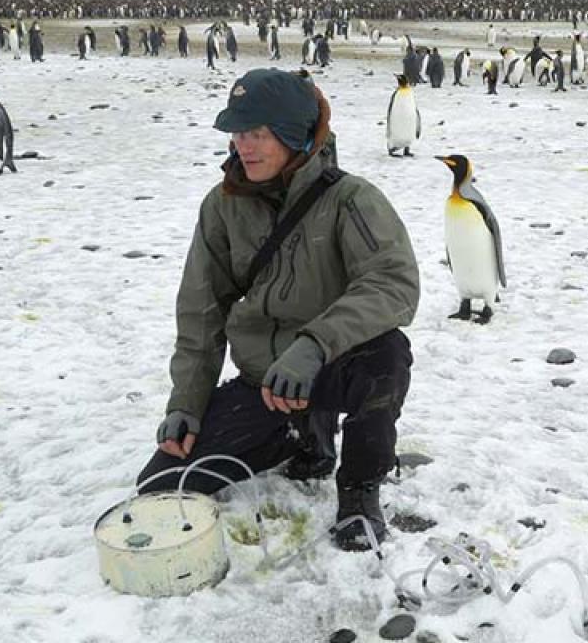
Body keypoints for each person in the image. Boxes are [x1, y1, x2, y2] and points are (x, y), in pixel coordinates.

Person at [136, 69, 420, 551]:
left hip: (331, 363)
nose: (243, 146)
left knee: (388, 356)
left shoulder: (350, 199)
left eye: (258, 134)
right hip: (267, 383)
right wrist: (186, 404)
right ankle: (304, 435)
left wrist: (314, 345)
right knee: (163, 487)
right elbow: (201, 314)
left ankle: (359, 489)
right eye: (237, 133)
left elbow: (394, 283)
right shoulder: (222, 206)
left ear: (293, 135)